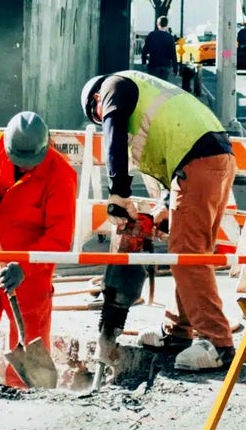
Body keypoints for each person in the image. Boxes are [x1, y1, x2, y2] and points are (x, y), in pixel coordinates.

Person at [81, 71, 235, 372]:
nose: (103, 120)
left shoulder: (113, 86)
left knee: (188, 255)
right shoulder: (148, 92)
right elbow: (170, 146)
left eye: (98, 116)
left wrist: (119, 193)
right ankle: (178, 331)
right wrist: (166, 205)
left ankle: (218, 343)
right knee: (187, 251)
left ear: (96, 100)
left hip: (199, 161)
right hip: (211, 158)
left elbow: (112, 133)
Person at [0, 111, 77, 381]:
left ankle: (25, 401)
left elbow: (59, 238)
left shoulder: (60, 175)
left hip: (29, 276)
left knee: (28, 355)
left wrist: (23, 267)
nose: (25, 166)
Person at [142, 16, 179, 84]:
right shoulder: (170, 37)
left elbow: (145, 50)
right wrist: (175, 69)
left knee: (153, 86)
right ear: (167, 25)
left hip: (153, 64)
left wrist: (144, 62)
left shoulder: (152, 35)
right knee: (163, 85)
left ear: (157, 24)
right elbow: (173, 54)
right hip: (166, 65)